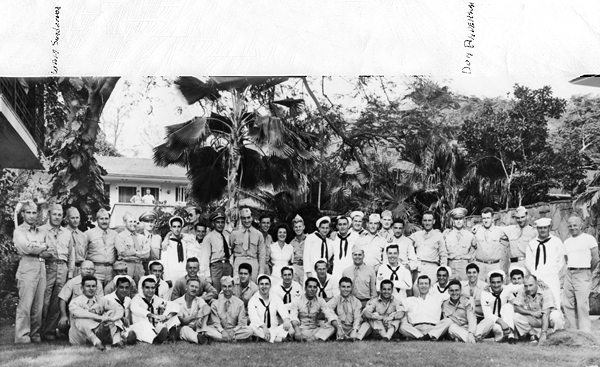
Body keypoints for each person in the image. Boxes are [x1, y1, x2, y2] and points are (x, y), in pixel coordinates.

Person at [13, 200, 48, 343]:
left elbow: (49, 248)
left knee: (38, 305)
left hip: (41, 267)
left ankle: (35, 334)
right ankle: (22, 337)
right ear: (23, 214)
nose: (32, 216)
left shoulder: (41, 231)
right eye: (28, 212)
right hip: (27, 267)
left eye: (34, 212)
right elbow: (27, 248)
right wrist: (41, 247)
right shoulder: (19, 231)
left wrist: (37, 246)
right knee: (25, 305)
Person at [40, 203, 75, 341]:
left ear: (63, 217)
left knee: (57, 301)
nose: (57, 217)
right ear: (49, 215)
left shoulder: (67, 233)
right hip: (47, 267)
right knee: (43, 301)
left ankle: (49, 332)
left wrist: (70, 273)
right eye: (54, 214)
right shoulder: (41, 230)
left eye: (60, 215)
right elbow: (37, 249)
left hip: (63, 267)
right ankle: (37, 331)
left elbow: (71, 255)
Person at [562, 215, 599, 333]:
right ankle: (573, 332)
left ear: (581, 225)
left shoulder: (589, 239)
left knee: (582, 304)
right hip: (569, 273)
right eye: (570, 226)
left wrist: (588, 271)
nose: (572, 228)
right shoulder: (567, 242)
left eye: (575, 225)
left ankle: (585, 333)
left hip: (583, 272)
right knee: (567, 303)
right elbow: (566, 259)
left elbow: (596, 258)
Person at [68, 275, 125, 350]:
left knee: (112, 312)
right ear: (82, 288)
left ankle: (116, 342)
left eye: (93, 286)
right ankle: (96, 342)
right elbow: (76, 313)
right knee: (80, 319)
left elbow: (119, 308)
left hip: (97, 332)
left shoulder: (101, 300)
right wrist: (99, 317)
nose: (91, 288)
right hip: (80, 337)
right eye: (88, 286)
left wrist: (113, 318)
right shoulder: (76, 301)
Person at [525, 218, 566, 309]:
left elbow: (561, 260)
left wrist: (553, 271)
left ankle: (556, 320)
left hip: (552, 276)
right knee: (539, 301)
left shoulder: (556, 241)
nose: (542, 230)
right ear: (537, 229)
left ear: (549, 228)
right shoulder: (532, 244)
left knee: (554, 300)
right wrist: (537, 277)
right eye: (540, 228)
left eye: (545, 227)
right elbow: (529, 263)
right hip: (537, 277)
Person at [513, 274, 564, 344]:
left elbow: (546, 314)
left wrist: (543, 333)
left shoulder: (545, 290)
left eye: (531, 285)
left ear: (536, 283)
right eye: (526, 286)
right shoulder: (522, 289)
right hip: (535, 316)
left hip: (548, 318)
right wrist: (532, 313)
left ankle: (555, 336)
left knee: (556, 316)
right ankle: (533, 335)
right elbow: (516, 307)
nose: (528, 288)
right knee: (516, 316)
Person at [130, 275, 180, 344]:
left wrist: (167, 316)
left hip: (155, 327)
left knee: (173, 317)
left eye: (152, 288)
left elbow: (174, 305)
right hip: (141, 328)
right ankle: (156, 341)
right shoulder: (136, 299)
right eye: (147, 288)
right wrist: (153, 315)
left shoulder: (155, 298)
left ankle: (172, 338)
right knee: (144, 324)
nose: (150, 290)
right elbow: (134, 308)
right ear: (142, 288)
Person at [57, 261, 104, 334]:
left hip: (93, 313)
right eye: (86, 268)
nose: (88, 271)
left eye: (91, 269)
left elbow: (101, 301)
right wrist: (63, 316)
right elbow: (62, 299)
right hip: (76, 314)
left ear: (94, 271)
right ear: (80, 270)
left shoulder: (98, 284)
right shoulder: (72, 282)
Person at [289, 277, 340, 342]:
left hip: (315, 330)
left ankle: (311, 339)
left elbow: (330, 315)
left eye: (314, 287)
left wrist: (338, 328)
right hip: (301, 329)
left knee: (332, 327)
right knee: (291, 329)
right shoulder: (297, 300)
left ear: (317, 289)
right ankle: (317, 339)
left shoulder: (320, 301)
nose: (312, 289)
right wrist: (297, 330)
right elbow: (293, 317)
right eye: (310, 287)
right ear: (305, 288)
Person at [204, 276, 253, 342]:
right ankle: (231, 339)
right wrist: (222, 331)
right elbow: (215, 323)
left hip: (235, 330)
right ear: (221, 287)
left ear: (233, 287)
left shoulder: (239, 303)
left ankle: (223, 339)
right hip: (220, 330)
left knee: (250, 330)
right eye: (224, 286)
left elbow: (242, 322)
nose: (227, 289)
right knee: (206, 329)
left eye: (229, 286)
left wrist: (234, 331)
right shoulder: (215, 304)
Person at [481, 270, 522, 343]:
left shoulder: (506, 289)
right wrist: (501, 322)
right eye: (493, 282)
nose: (496, 285)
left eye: (498, 282)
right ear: (490, 283)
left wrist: (539, 282)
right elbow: (487, 314)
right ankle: (497, 337)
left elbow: (520, 287)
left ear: (502, 282)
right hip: (493, 320)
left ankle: (511, 336)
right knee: (498, 330)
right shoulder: (485, 293)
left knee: (508, 306)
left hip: (504, 318)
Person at [408, 211, 448, 287]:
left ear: (434, 221)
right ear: (422, 221)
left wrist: (442, 272)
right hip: (418, 268)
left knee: (431, 292)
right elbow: (404, 242)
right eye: (425, 220)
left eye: (429, 220)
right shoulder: (416, 235)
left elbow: (443, 255)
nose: (427, 223)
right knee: (416, 291)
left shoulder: (439, 236)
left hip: (432, 268)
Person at [248, 275, 292, 343]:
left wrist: (286, 319)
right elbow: (253, 317)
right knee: (252, 325)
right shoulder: (253, 300)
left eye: (266, 284)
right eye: (261, 284)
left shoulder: (275, 297)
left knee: (289, 323)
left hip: (275, 329)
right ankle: (277, 339)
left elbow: (283, 310)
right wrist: (264, 327)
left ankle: (266, 338)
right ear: (258, 286)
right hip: (261, 329)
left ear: (270, 285)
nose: (264, 286)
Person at [398, 275, 444, 340]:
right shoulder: (410, 300)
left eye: (426, 284)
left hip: (433, 328)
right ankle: (423, 337)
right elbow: (399, 305)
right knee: (403, 327)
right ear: (417, 285)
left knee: (448, 321)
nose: (423, 286)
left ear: (430, 286)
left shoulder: (438, 298)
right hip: (415, 329)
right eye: (421, 283)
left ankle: (425, 336)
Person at [472, 207, 510, 281]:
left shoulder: (499, 231)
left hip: (494, 265)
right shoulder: (476, 230)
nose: (486, 220)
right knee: (480, 288)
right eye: (484, 218)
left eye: (488, 218)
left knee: (495, 288)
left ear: (492, 218)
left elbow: (513, 231)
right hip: (480, 265)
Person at [230, 207, 267, 282]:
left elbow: (262, 254)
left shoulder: (258, 234)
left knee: (253, 286)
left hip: (253, 261)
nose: (246, 220)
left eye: (248, 217)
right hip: (239, 261)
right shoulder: (234, 233)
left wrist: (261, 272)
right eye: (244, 218)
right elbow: (230, 249)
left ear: (252, 218)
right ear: (241, 219)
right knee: (237, 285)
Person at [83, 208, 118, 287]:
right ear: (97, 220)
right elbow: (83, 253)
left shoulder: (115, 234)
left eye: (106, 219)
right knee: (96, 294)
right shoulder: (88, 234)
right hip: (95, 269)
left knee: (109, 296)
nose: (104, 221)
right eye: (101, 219)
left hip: (110, 270)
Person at [200, 210, 233, 292]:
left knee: (228, 290)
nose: (220, 224)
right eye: (218, 222)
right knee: (216, 291)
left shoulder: (228, 235)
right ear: (213, 223)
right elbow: (205, 257)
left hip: (227, 265)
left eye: (222, 222)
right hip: (215, 267)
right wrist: (207, 276)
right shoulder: (209, 238)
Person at [173, 278, 211, 345]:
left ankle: (201, 334)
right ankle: (200, 338)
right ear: (186, 288)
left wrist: (200, 317)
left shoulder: (199, 300)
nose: (194, 289)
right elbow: (183, 321)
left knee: (204, 309)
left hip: (196, 327)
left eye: (196, 287)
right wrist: (194, 316)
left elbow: (207, 308)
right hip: (183, 327)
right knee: (185, 329)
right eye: (192, 286)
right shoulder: (177, 302)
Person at [115, 212, 149, 285]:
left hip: (140, 267)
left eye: (135, 222)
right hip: (126, 267)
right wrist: (140, 255)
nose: (133, 224)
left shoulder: (141, 237)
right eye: (130, 221)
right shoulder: (120, 237)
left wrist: (134, 253)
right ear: (124, 223)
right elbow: (124, 254)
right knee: (126, 287)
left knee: (140, 288)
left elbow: (147, 254)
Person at [325, 277, 363, 341]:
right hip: (339, 326)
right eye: (343, 287)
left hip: (351, 327)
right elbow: (327, 309)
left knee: (365, 326)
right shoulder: (336, 299)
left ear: (351, 288)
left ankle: (351, 336)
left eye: (348, 287)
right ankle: (338, 335)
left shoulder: (356, 302)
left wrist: (354, 330)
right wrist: (338, 327)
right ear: (339, 287)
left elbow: (357, 318)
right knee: (328, 323)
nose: (346, 289)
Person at [103, 275, 137, 345]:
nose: (124, 290)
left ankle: (124, 338)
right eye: (121, 287)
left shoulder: (128, 300)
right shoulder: (107, 299)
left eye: (126, 288)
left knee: (132, 333)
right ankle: (116, 340)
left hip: (123, 327)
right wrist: (121, 318)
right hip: (111, 326)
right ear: (116, 287)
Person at [444, 207, 475, 282]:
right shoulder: (446, 235)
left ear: (464, 220)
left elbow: (473, 253)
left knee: (464, 289)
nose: (458, 221)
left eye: (460, 219)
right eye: (456, 219)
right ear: (452, 220)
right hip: (450, 265)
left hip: (464, 266)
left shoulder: (470, 236)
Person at [161, 216, 195, 283]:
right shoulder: (167, 243)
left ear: (182, 228)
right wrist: (166, 278)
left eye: (179, 226)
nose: (177, 229)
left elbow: (192, 238)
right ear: (171, 228)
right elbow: (164, 261)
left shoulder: (185, 241)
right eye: (174, 226)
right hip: (171, 274)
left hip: (184, 273)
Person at [503, 207, 537, 271]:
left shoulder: (533, 231)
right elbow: (496, 230)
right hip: (514, 264)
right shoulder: (510, 229)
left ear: (527, 216)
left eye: (522, 217)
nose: (520, 220)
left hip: (528, 264)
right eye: (518, 218)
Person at [332, 216, 358, 286]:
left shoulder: (355, 237)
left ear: (348, 225)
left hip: (351, 271)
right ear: (337, 226)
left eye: (344, 224)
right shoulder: (333, 238)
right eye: (340, 224)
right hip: (337, 272)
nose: (342, 227)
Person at [65, 207, 86, 278]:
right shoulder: (63, 233)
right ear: (67, 219)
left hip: (81, 268)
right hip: (67, 268)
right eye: (72, 218)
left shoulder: (83, 235)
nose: (75, 220)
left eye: (77, 217)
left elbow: (86, 252)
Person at [289, 214, 307, 284]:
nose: (298, 229)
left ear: (303, 227)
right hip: (295, 269)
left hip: (305, 268)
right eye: (296, 227)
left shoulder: (309, 240)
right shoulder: (291, 243)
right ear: (293, 228)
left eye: (300, 226)